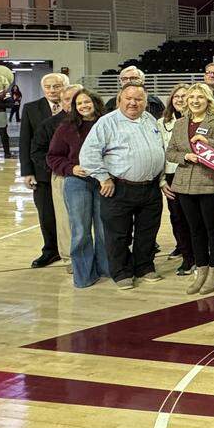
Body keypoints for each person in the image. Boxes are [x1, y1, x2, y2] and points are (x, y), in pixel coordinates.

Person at [79, 82, 167, 291]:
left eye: (138, 99)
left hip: (150, 187)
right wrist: (103, 178)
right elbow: (88, 155)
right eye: (129, 98)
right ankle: (121, 271)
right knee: (117, 233)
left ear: (146, 102)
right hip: (119, 187)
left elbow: (159, 149)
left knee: (148, 231)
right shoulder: (106, 122)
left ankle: (144, 267)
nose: (133, 103)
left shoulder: (150, 119)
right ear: (119, 100)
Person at [165, 82, 214, 295]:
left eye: (200, 97)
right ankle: (201, 269)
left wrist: (209, 143)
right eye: (191, 97)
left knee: (212, 228)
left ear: (208, 101)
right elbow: (170, 153)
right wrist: (185, 156)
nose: (195, 101)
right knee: (194, 230)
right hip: (184, 185)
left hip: (211, 184)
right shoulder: (179, 124)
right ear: (186, 101)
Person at [47, 88, 109, 288]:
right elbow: (53, 157)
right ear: (74, 107)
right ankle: (84, 275)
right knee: (81, 230)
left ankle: (106, 269)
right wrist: (71, 168)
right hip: (77, 182)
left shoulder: (108, 123)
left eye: (87, 102)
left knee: (103, 229)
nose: (84, 106)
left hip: (103, 181)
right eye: (79, 103)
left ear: (95, 103)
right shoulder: (66, 127)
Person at [21, 72, 67, 268]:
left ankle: (72, 250)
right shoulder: (31, 108)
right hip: (42, 173)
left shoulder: (76, 107)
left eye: (56, 86)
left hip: (69, 171)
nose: (51, 90)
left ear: (64, 86)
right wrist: (27, 171)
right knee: (46, 215)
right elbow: (25, 141)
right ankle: (50, 250)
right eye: (47, 87)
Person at [42, 82, 83, 276]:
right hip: (63, 176)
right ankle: (70, 258)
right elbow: (40, 152)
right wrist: (65, 168)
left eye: (77, 99)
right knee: (66, 221)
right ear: (63, 102)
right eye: (68, 99)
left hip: (92, 176)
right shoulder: (52, 124)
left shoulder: (99, 120)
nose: (73, 103)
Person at [158, 84, 195, 275]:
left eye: (184, 96)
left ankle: (200, 255)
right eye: (176, 97)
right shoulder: (161, 123)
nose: (180, 99)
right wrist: (162, 181)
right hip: (172, 175)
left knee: (195, 218)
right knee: (178, 218)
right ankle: (187, 256)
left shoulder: (199, 121)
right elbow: (159, 154)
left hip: (194, 174)